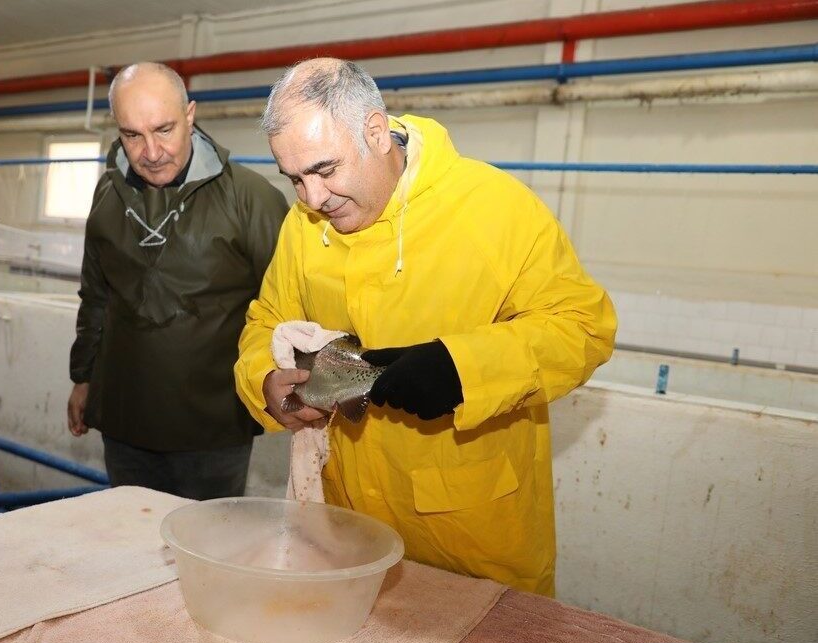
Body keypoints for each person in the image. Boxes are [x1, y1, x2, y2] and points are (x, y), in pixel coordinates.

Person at [234, 58, 616, 595]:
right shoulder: (304, 227)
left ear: (375, 130)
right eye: (294, 178)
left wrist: (464, 369)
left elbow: (583, 326)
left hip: (470, 537)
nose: (312, 198)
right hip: (348, 533)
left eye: (324, 170)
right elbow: (266, 321)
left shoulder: (493, 208)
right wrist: (265, 384)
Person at [67, 62, 288, 500]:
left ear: (190, 115)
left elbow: (289, 308)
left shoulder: (251, 199)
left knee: (205, 552)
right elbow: (96, 295)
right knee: (133, 548)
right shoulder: (106, 194)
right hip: (122, 419)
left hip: (213, 429)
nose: (151, 151)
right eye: (132, 135)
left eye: (163, 129)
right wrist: (83, 378)